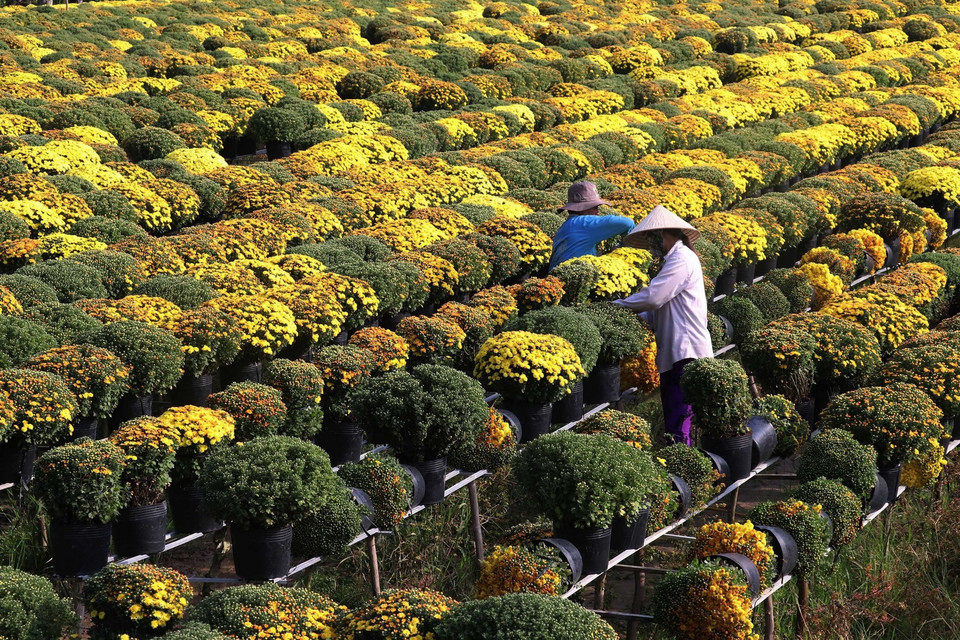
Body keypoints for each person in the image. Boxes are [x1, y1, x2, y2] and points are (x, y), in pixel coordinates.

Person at [612, 205, 713, 446]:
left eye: (651, 236)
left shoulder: (682, 259)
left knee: (679, 423)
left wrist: (617, 305)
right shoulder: (674, 259)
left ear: (665, 233)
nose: (649, 243)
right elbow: (658, 309)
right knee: (675, 419)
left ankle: (681, 474)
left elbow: (655, 298)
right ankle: (682, 469)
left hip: (685, 352)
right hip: (675, 352)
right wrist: (637, 318)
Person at [549, 181, 635, 270]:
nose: (598, 212)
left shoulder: (567, 225)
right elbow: (627, 223)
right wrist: (624, 246)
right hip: (573, 279)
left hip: (559, 277)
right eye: (595, 208)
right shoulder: (584, 223)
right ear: (581, 209)